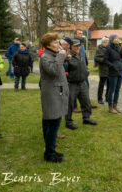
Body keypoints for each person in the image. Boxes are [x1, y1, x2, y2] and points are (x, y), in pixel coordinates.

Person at [39, 33, 69, 163]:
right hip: (52, 94)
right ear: (47, 45)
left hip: (56, 92)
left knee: (49, 122)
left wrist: (62, 57)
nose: (58, 44)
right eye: (55, 42)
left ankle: (50, 149)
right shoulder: (45, 57)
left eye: (58, 42)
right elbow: (54, 71)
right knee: (53, 123)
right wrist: (61, 56)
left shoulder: (53, 55)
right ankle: (49, 154)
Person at [65, 39, 97, 130]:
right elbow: (64, 68)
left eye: (78, 46)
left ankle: (86, 118)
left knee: (86, 101)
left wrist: (86, 72)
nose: (77, 47)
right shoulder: (68, 57)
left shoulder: (81, 55)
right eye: (75, 46)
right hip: (72, 84)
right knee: (70, 103)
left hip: (82, 83)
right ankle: (68, 121)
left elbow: (84, 66)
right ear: (71, 47)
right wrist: (66, 60)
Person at [104, 34, 122, 114]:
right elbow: (105, 60)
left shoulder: (117, 47)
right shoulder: (108, 48)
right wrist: (112, 66)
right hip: (113, 71)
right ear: (112, 39)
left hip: (120, 70)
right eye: (116, 38)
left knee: (117, 89)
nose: (117, 39)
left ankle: (115, 106)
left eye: (117, 38)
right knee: (111, 89)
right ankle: (110, 107)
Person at [94, 37, 109, 104]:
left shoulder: (109, 49)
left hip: (109, 69)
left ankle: (107, 97)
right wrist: (103, 60)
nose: (107, 43)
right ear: (102, 42)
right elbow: (96, 58)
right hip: (103, 69)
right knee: (101, 85)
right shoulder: (99, 49)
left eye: (108, 42)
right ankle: (100, 98)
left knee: (109, 84)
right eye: (105, 42)